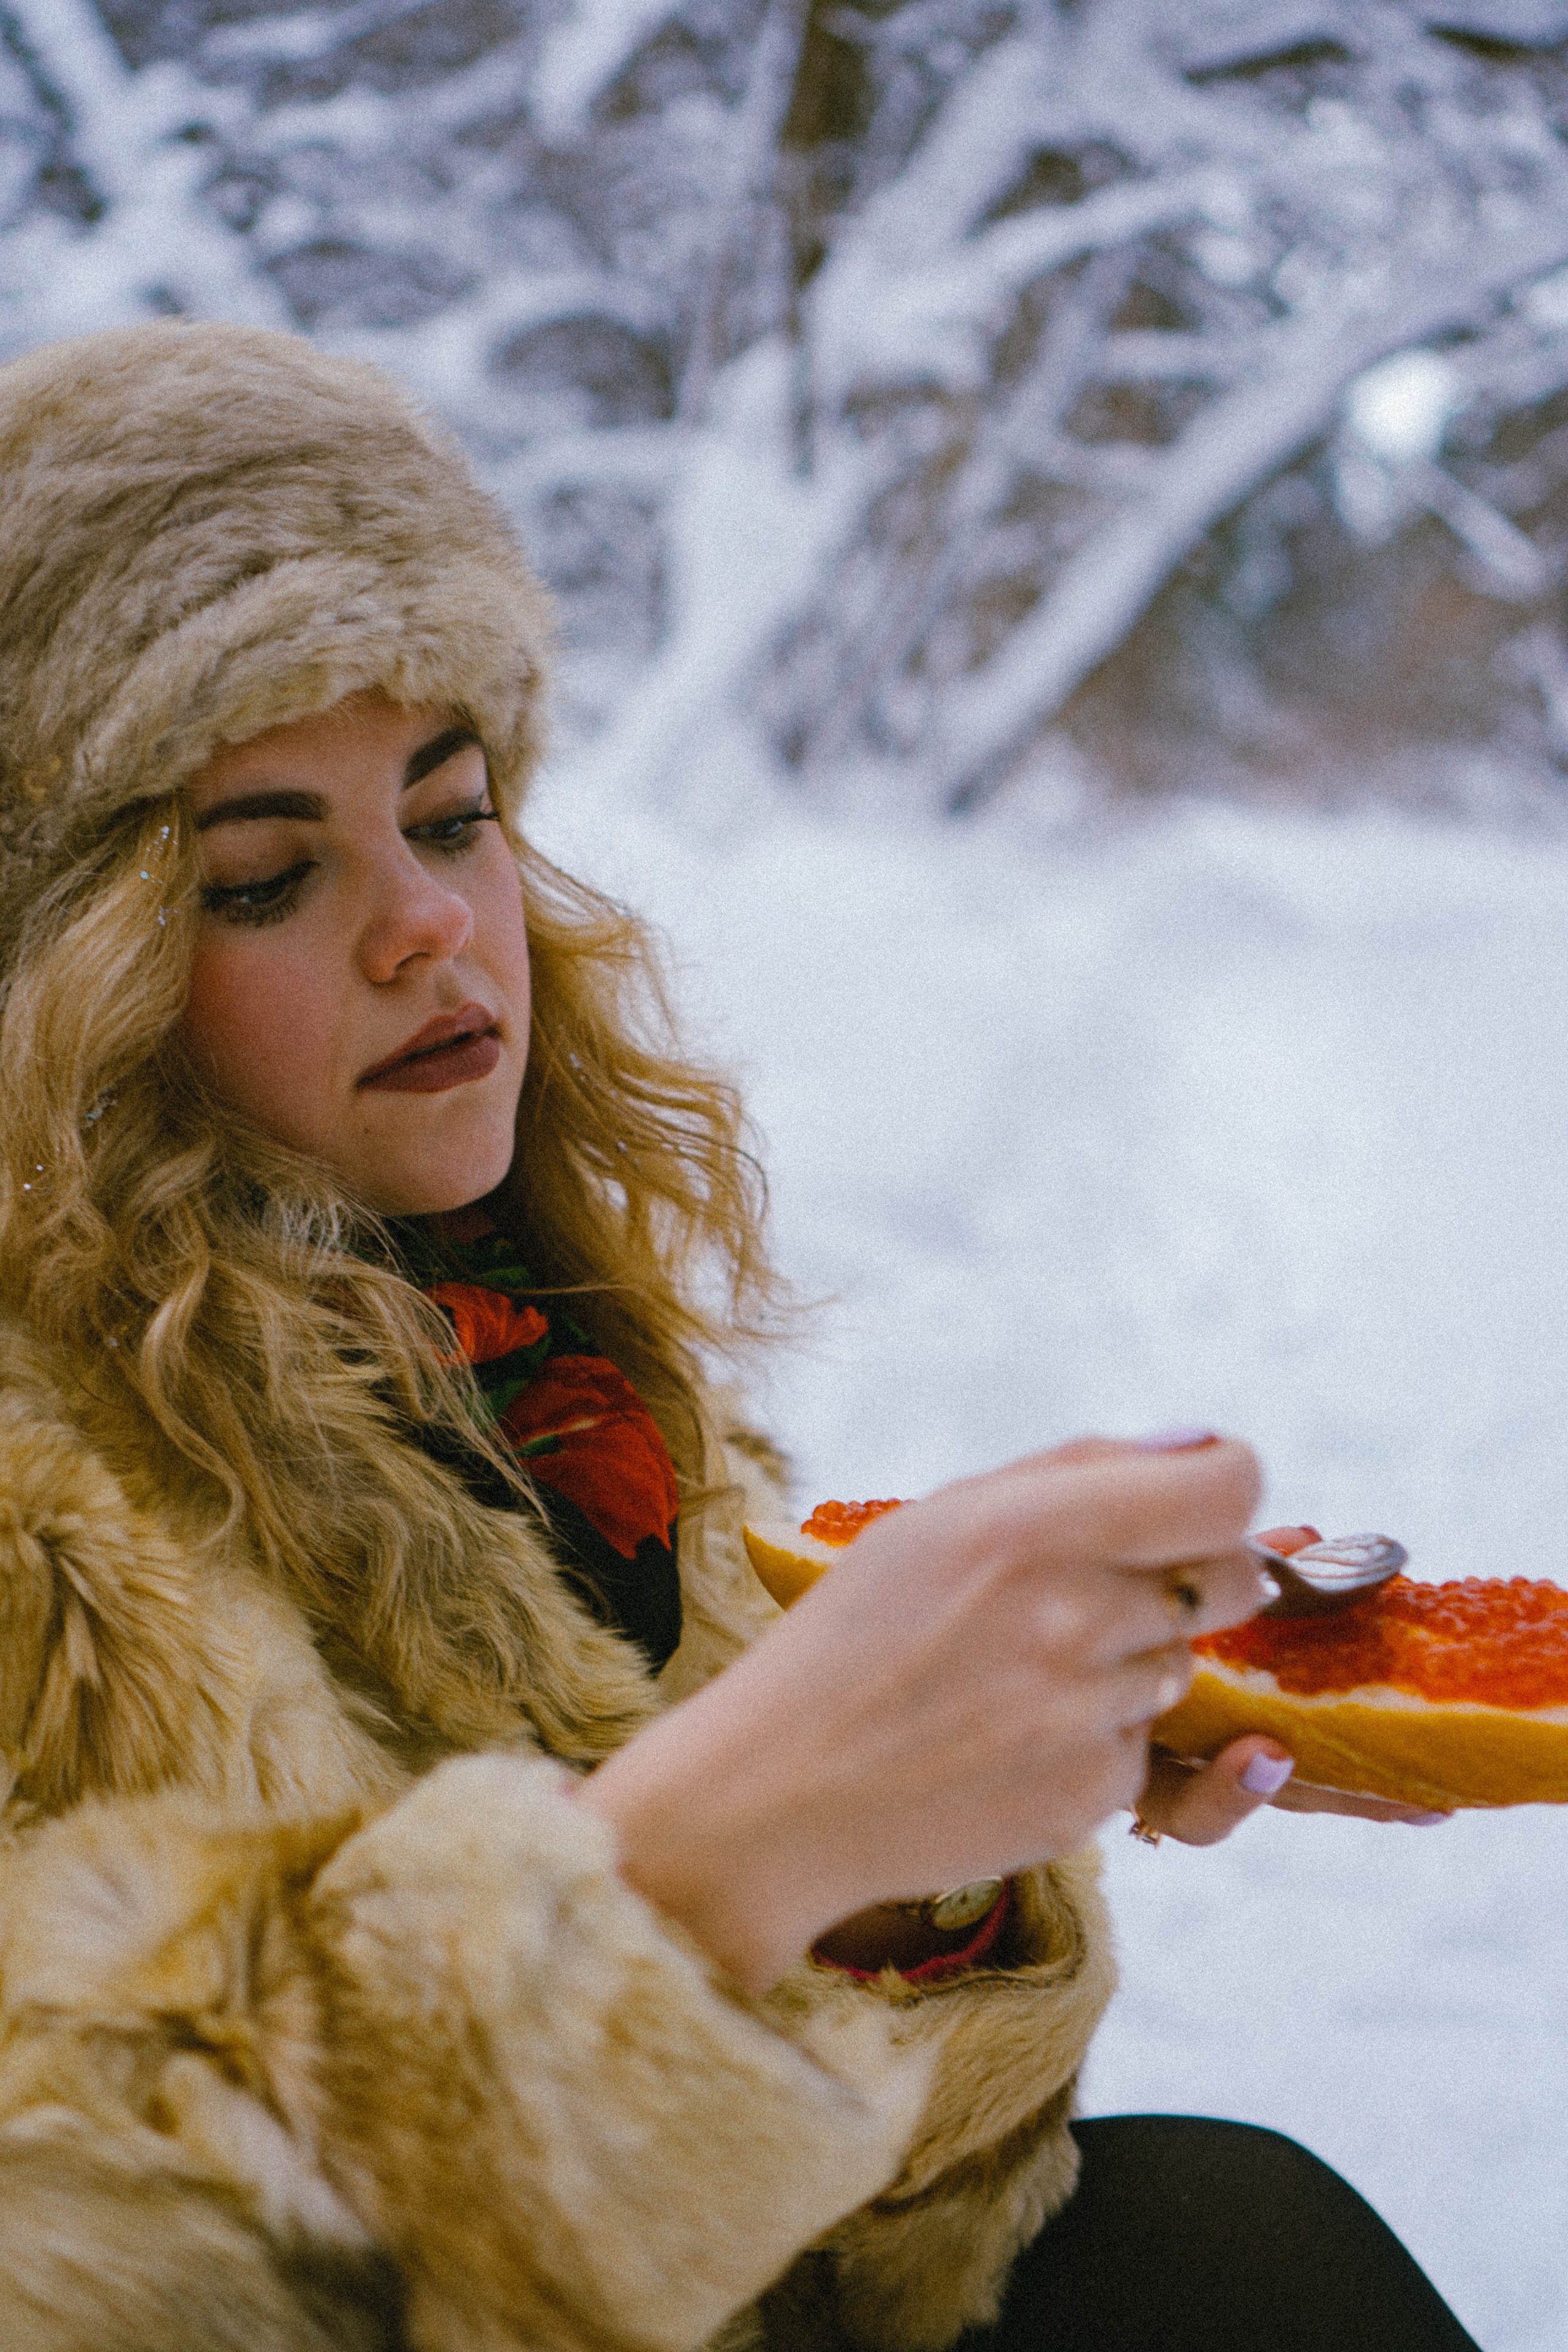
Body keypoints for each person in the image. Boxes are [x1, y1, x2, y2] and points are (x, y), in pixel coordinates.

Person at [0, 322, 1480, 2352]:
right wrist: (706, 1857)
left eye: (449, 817)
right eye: (265, 877)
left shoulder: (538, 1356)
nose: (428, 926)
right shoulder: (37, 1517)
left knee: (1223, 2230)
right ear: (62, 981)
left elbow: (863, 2224)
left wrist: (915, 1835)